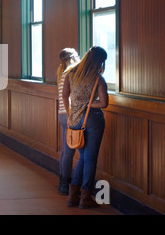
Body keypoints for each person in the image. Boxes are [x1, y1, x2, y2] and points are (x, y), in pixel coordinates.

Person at [62, 46, 109, 209]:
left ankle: (73, 197)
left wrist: (70, 115)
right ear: (99, 61)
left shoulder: (72, 73)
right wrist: (89, 103)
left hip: (75, 120)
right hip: (93, 120)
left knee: (82, 157)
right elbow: (104, 103)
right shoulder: (98, 78)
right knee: (90, 159)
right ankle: (85, 197)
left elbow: (64, 95)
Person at [57, 48, 80, 195]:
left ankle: (62, 182)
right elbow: (70, 97)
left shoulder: (61, 73)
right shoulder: (72, 74)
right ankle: (65, 184)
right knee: (69, 152)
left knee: (65, 151)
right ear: (73, 58)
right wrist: (72, 115)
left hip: (61, 114)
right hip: (69, 114)